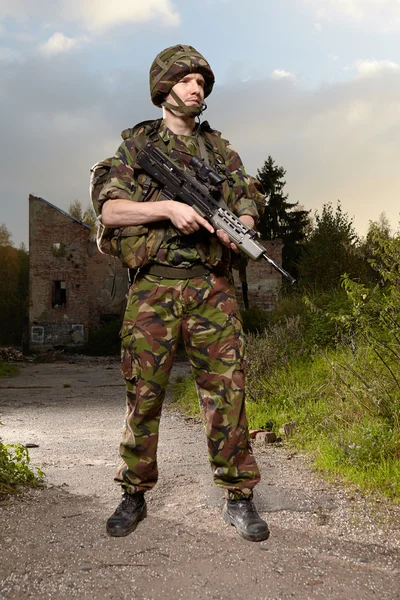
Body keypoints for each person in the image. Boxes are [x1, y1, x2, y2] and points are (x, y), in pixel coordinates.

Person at [98, 44, 269, 543]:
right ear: (165, 87)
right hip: (153, 287)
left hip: (211, 287)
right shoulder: (135, 148)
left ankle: (239, 498)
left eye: (202, 82)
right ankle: (134, 493)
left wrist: (239, 226)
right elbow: (110, 212)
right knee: (143, 394)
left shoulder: (221, 151)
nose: (197, 88)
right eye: (187, 79)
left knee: (227, 393)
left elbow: (247, 200)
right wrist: (169, 207)